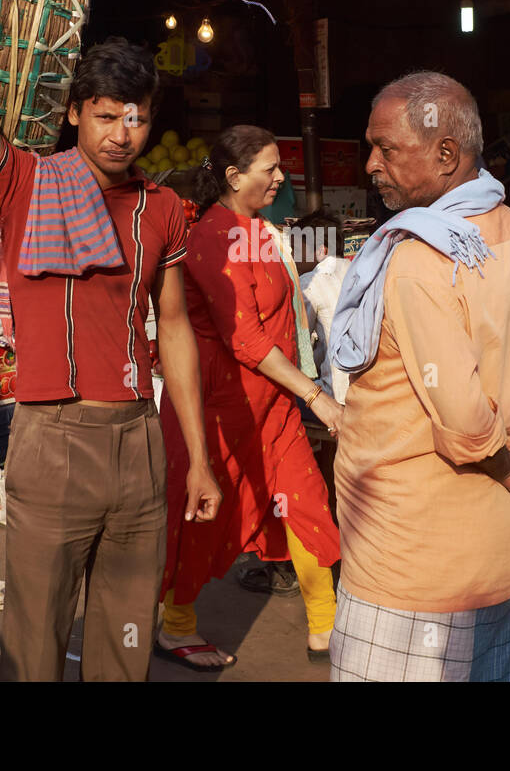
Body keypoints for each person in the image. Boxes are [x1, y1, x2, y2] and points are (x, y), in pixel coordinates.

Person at [0, 0, 220, 682]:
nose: (123, 134)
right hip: (51, 440)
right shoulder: (22, 182)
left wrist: (195, 455)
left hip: (139, 443)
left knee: (126, 652)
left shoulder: (165, 210)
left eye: (137, 118)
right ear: (75, 115)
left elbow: (177, 329)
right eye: (106, 115)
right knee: (33, 646)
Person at [328, 71, 510, 682]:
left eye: (387, 148)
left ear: (446, 155)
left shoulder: (416, 259)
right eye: (370, 147)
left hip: (411, 566)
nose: (371, 165)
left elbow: (461, 420)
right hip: (505, 562)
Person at [158, 126, 343, 670]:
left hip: (274, 402)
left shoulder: (259, 229)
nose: (281, 177)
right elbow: (244, 339)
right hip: (219, 404)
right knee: (204, 514)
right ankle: (176, 627)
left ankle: (327, 628)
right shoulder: (213, 237)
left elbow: (283, 319)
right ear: (235, 177)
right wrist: (318, 396)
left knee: (306, 501)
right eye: (270, 168)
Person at [293, 208, 350, 406]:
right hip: (366, 394)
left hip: (335, 395)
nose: (293, 258)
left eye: (296, 250)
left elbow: (300, 347)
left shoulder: (310, 281)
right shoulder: (354, 270)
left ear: (321, 251)